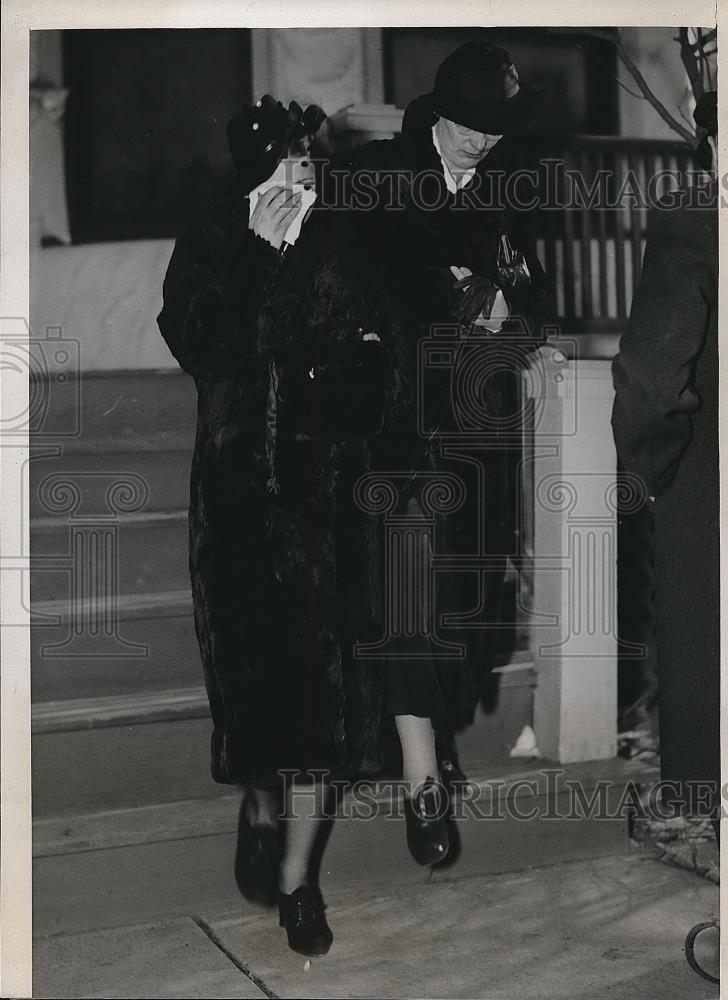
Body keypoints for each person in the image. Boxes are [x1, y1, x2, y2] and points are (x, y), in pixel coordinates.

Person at [611, 92, 719, 832]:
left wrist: (644, 470)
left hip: (712, 482)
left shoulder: (696, 222)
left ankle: (699, 806)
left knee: (704, 634)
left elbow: (652, 377)